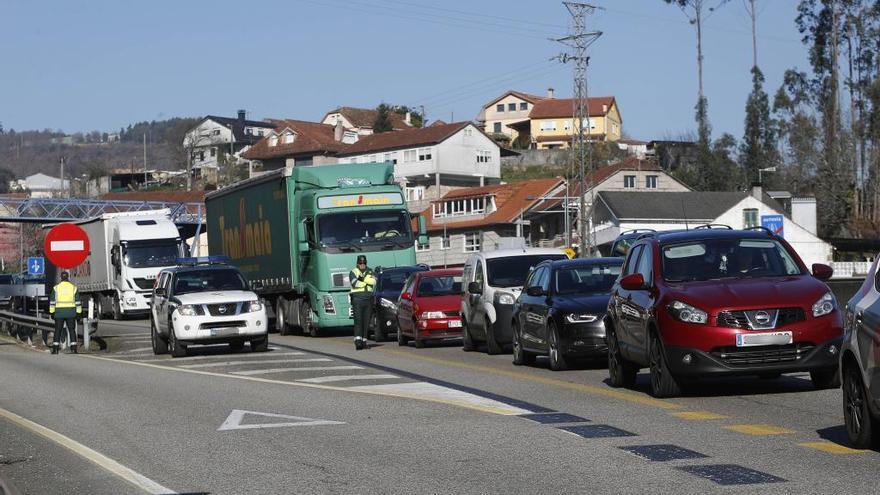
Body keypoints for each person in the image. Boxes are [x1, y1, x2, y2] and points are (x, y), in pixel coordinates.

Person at [48, 271, 82, 354]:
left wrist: (52, 312)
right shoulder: (73, 288)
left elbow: (52, 302)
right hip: (71, 312)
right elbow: (78, 302)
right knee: (71, 330)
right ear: (68, 277)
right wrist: (78, 313)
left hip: (59, 313)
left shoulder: (56, 288)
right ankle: (73, 348)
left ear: (60, 278)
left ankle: (55, 348)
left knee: (58, 330)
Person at [349, 254, 376, 350]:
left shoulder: (370, 271)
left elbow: (373, 282)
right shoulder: (353, 272)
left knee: (366, 321)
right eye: (360, 263)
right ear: (357, 263)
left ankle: (364, 341)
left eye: (364, 263)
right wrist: (366, 281)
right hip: (357, 299)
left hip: (368, 299)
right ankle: (358, 341)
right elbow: (355, 283)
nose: (362, 265)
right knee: (358, 320)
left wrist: (362, 279)